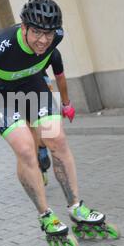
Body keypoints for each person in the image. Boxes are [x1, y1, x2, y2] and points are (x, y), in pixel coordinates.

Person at [0, 0, 119, 246]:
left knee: (57, 140)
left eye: (48, 33)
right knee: (26, 147)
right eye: (36, 32)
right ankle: (46, 216)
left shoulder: (56, 38)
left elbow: (56, 65)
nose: (42, 40)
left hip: (31, 84)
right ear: (24, 27)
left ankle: (76, 207)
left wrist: (66, 100)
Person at [37, 48, 76, 186]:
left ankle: (43, 148)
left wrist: (66, 104)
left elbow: (60, 76)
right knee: (34, 125)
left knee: (49, 127)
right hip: (19, 87)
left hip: (42, 82)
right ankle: (40, 149)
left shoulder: (54, 52)